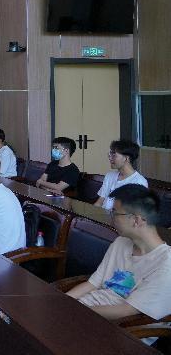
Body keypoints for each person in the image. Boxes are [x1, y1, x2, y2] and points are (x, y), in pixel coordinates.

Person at [67, 184, 171, 333]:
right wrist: (63, 301)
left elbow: (127, 311)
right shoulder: (121, 243)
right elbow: (93, 283)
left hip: (122, 330)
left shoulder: (166, 264)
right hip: (87, 313)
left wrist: (77, 311)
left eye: (115, 213)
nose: (111, 219)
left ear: (136, 220)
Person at [94, 139, 148, 210]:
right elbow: (100, 202)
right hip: (101, 215)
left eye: (114, 155)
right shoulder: (109, 176)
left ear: (126, 158)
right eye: (110, 154)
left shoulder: (139, 182)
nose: (110, 158)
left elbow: (134, 212)